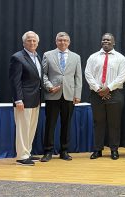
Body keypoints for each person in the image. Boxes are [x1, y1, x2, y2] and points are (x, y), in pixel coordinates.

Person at [40, 32, 82, 162]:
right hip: (52, 94)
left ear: (69, 42)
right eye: (60, 40)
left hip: (69, 95)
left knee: (66, 124)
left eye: (65, 40)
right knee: (50, 124)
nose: (62, 42)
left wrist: (77, 95)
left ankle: (64, 150)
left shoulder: (76, 57)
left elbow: (78, 77)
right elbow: (43, 74)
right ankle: (48, 151)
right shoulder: (48, 55)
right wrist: (49, 86)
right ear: (56, 41)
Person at [85, 33, 125, 160]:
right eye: (104, 39)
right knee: (98, 123)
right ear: (101, 42)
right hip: (96, 93)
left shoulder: (120, 58)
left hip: (114, 94)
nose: (106, 41)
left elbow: (122, 76)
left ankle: (114, 150)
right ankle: (98, 150)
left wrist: (108, 88)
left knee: (114, 123)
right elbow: (88, 74)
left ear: (113, 42)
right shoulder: (93, 57)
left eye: (108, 40)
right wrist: (99, 89)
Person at [9, 31, 42, 166]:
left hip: (36, 99)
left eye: (34, 41)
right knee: (23, 128)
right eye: (29, 40)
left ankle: (27, 152)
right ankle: (21, 157)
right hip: (24, 100)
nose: (32, 43)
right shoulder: (17, 57)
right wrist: (18, 100)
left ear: (37, 43)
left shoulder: (37, 56)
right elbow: (14, 81)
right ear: (24, 43)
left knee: (31, 128)